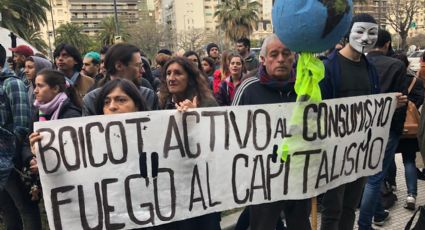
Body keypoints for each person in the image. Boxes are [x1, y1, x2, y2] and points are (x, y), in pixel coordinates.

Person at [231, 34, 311, 230]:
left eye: (286, 53)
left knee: (300, 224)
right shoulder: (249, 88)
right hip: (262, 179)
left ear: (294, 57)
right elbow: (231, 130)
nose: (281, 59)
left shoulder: (306, 88)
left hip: (299, 175)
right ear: (263, 58)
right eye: (274, 54)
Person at [158, 56, 219, 229]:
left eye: (178, 73)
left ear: (190, 78)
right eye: (168, 73)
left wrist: (196, 118)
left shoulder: (207, 103)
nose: (171, 78)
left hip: (202, 186)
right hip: (174, 187)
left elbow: (217, 143)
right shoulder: (162, 103)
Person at [358, 29, 408, 229]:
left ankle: (378, 213)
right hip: (387, 130)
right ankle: (364, 224)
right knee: (375, 177)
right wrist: (398, 129)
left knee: (366, 175)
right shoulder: (396, 65)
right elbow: (402, 102)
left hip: (360, 129)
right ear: (387, 44)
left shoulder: (359, 63)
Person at [0, 44, 41, 230]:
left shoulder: (12, 84)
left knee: (25, 206)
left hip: (11, 159)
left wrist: (11, 155)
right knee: (7, 207)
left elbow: (22, 124)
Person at [387, 53, 424, 210]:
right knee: (409, 160)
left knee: (389, 158)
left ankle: (392, 185)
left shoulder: (389, 78)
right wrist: (411, 104)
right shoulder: (415, 80)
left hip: (391, 125)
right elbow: (421, 98)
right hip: (410, 128)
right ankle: (411, 195)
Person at [82, 43, 158, 116]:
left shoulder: (148, 95)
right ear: (118, 66)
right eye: (138, 65)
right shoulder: (91, 99)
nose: (143, 71)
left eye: (121, 100)